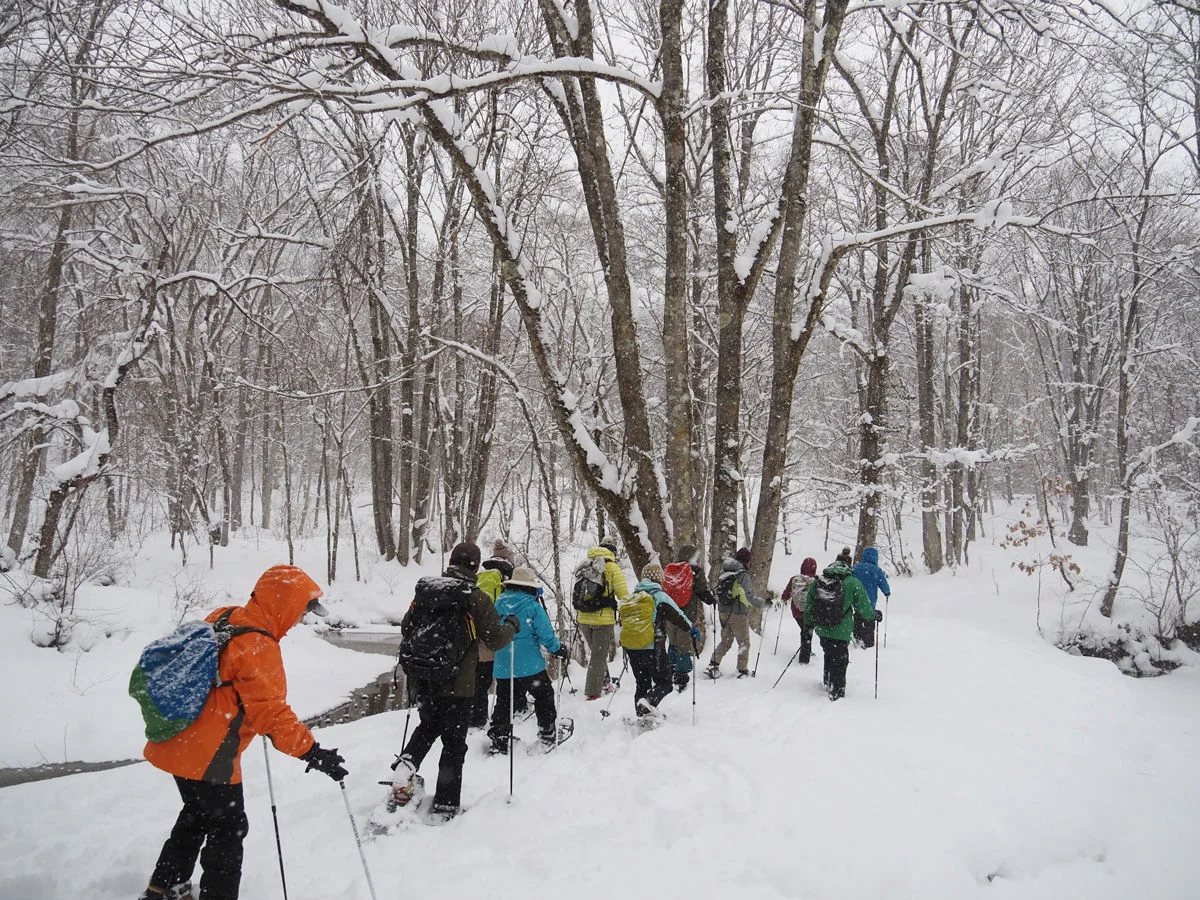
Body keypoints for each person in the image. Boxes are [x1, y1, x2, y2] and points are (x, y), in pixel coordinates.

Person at [139, 565, 347, 900]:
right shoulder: (258, 646)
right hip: (210, 757)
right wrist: (314, 752)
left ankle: (163, 888)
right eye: (300, 611)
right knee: (228, 829)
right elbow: (273, 716)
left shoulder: (225, 615)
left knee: (196, 814)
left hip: (179, 736)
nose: (299, 620)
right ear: (285, 605)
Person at [391, 541, 517, 821]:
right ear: (475, 566)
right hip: (458, 684)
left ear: (450, 562)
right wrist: (511, 626)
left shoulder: (426, 591)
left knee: (428, 726)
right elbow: (495, 640)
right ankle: (446, 805)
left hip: (424, 677)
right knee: (454, 743)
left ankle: (406, 765)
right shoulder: (475, 597)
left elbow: (406, 626)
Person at [488, 567, 571, 753]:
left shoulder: (497, 604)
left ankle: (499, 738)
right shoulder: (532, 606)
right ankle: (548, 733)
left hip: (503, 664)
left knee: (505, 701)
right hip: (529, 665)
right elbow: (545, 635)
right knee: (543, 696)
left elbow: (491, 632)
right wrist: (558, 648)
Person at [620, 562, 702, 717]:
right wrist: (692, 629)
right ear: (659, 579)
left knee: (642, 683)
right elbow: (678, 615)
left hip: (632, 648)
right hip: (653, 648)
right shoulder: (659, 596)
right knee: (665, 683)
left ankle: (642, 715)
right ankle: (648, 703)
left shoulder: (632, 597)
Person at [803, 555, 878, 700]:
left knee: (828, 653)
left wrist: (808, 625)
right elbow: (863, 607)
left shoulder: (818, 582)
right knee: (840, 659)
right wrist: (873, 616)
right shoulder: (852, 582)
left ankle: (827, 681)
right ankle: (836, 691)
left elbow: (809, 606)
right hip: (841, 630)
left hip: (822, 628)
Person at [575, 536, 630, 700]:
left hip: (583, 618)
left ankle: (604, 683)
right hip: (603, 620)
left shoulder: (586, 565)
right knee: (598, 657)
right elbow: (623, 595)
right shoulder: (612, 567)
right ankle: (593, 693)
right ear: (613, 552)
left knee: (596, 654)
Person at [471, 539, 516, 729]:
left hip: (473, 633)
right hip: (493, 633)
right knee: (491, 679)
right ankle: (483, 719)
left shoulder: (482, 575)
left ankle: (474, 715)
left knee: (477, 679)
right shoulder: (503, 578)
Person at [705, 547, 767, 678]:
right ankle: (742, 670)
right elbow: (749, 597)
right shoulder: (742, 574)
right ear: (747, 560)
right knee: (744, 643)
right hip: (738, 613)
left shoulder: (724, 571)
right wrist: (764, 604)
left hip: (723, 612)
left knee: (726, 641)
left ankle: (713, 665)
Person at [663, 544, 714, 692]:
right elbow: (702, 592)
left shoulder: (670, 570)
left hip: (670, 614)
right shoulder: (694, 571)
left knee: (673, 644)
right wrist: (712, 600)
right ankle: (681, 678)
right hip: (686, 616)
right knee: (684, 646)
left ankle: (671, 670)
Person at [852, 546, 892, 648]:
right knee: (869, 619)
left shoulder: (855, 568)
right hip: (870, 601)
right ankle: (868, 642)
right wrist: (887, 592)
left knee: (857, 617)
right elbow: (883, 583)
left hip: (856, 599)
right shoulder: (876, 570)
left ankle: (857, 637)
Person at [781, 556, 818, 663]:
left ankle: (806, 650)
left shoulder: (794, 579)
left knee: (805, 631)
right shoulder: (816, 581)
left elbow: (786, 595)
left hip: (797, 612)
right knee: (807, 632)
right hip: (810, 612)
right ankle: (804, 658)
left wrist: (784, 598)